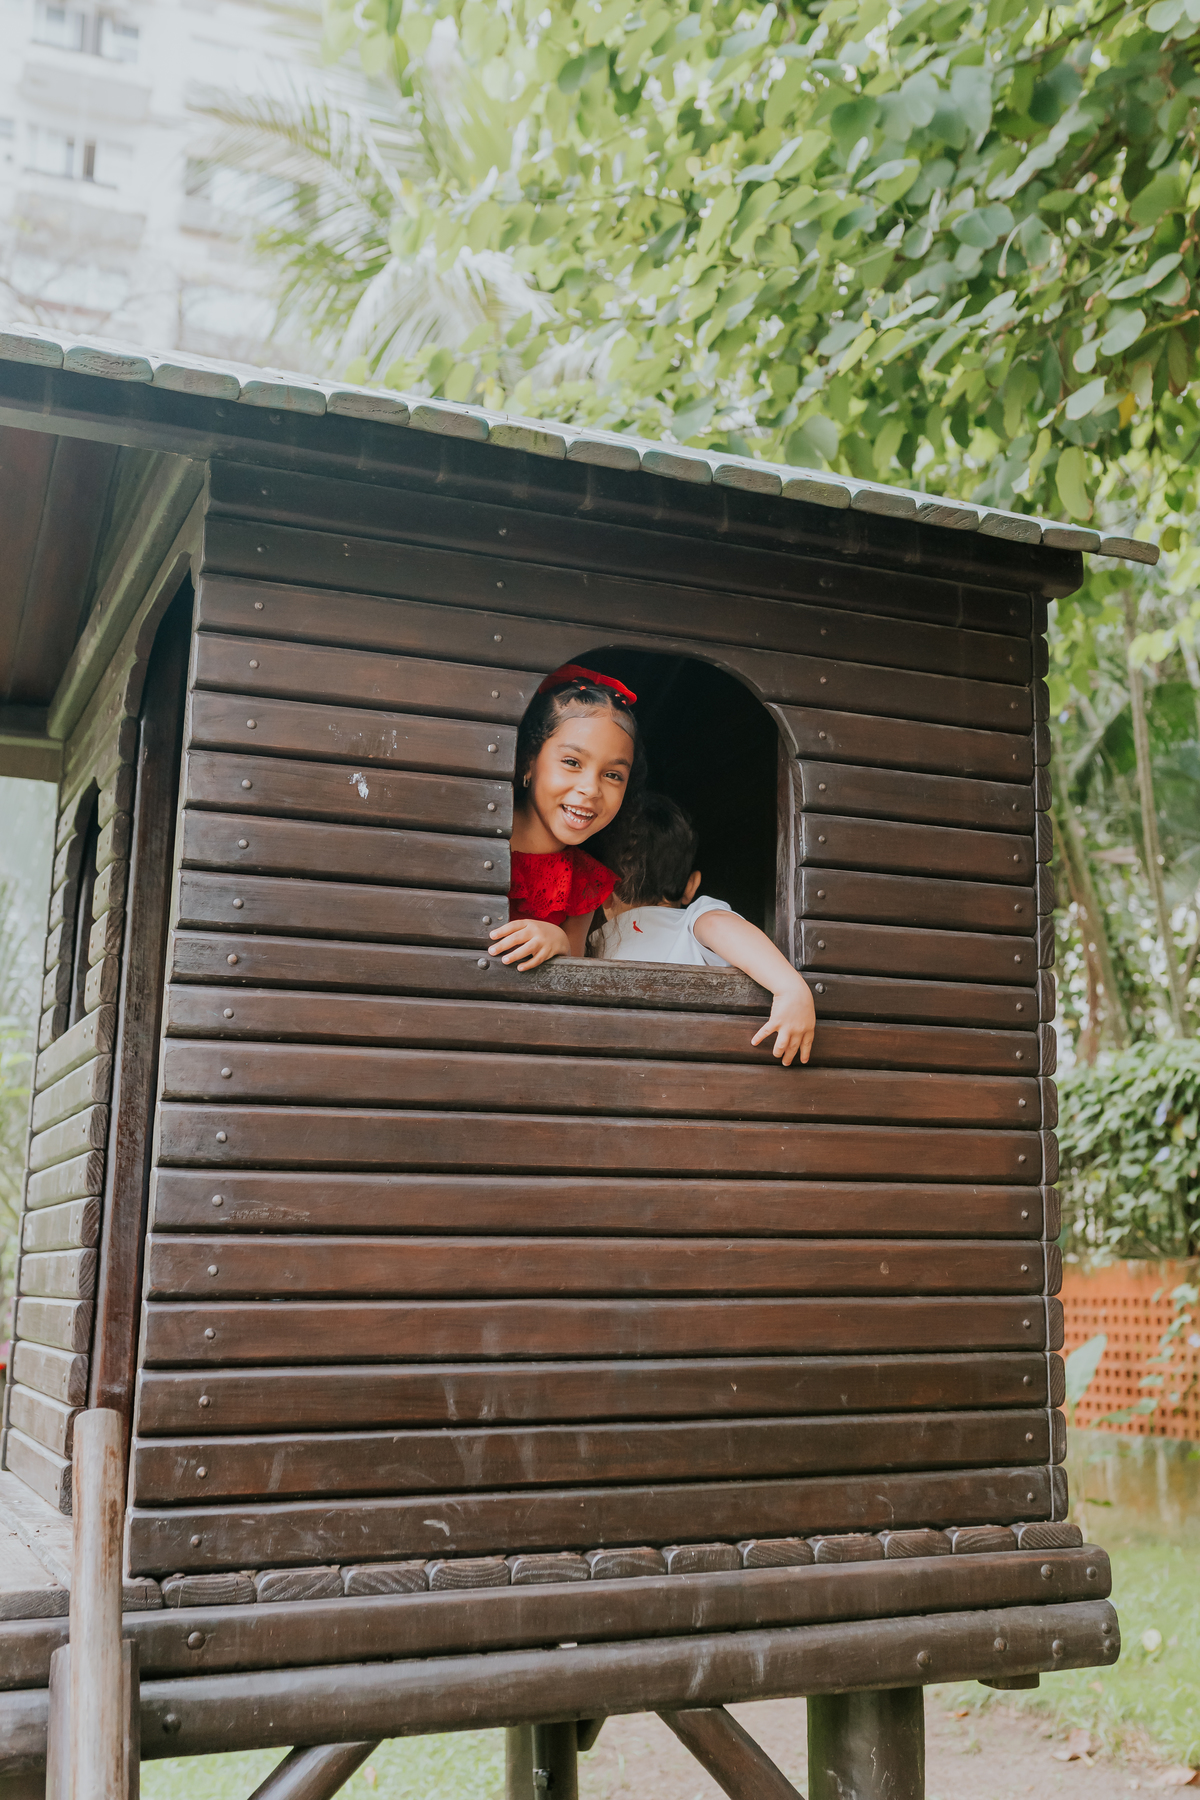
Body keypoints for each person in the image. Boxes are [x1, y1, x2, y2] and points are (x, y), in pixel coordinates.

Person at [590, 791, 816, 1067]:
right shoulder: (690, 922)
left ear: (601, 892)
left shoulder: (593, 944)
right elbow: (719, 924)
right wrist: (790, 987)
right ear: (691, 886)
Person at [488, 663, 645, 972]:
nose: (591, 789)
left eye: (613, 775)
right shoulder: (477, 840)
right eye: (572, 762)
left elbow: (573, 974)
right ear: (529, 760)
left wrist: (560, 942)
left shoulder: (585, 881)